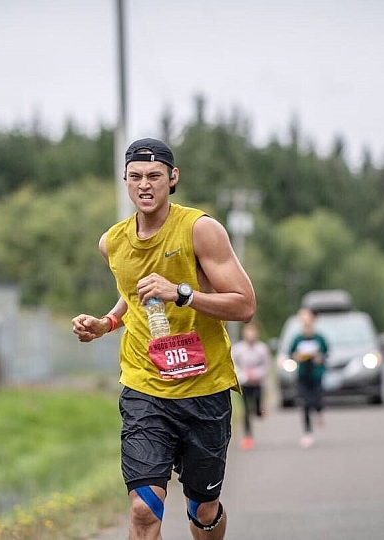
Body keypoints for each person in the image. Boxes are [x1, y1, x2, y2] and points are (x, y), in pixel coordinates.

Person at [71, 138, 256, 540]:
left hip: (204, 389)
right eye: (135, 176)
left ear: (172, 178)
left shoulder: (200, 230)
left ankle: (205, 514)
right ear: (124, 181)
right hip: (145, 388)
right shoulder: (112, 242)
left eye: (154, 176)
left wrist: (183, 292)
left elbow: (244, 305)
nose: (144, 185)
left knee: (202, 509)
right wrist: (107, 323)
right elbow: (132, 290)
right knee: (142, 510)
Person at [288, 308, 328, 449]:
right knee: (305, 403)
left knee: (317, 399)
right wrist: (297, 357)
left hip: (316, 375)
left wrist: (319, 358)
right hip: (303, 375)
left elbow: (326, 353)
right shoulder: (297, 339)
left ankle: (319, 411)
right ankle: (307, 432)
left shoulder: (319, 338)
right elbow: (291, 353)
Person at [231, 322, 271, 450]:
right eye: (248, 331)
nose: (250, 334)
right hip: (245, 383)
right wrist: (243, 375)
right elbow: (233, 364)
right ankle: (248, 436)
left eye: (253, 331)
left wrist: (256, 374)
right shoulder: (238, 349)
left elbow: (266, 367)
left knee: (258, 409)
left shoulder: (262, 349)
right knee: (246, 410)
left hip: (258, 383)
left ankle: (260, 410)